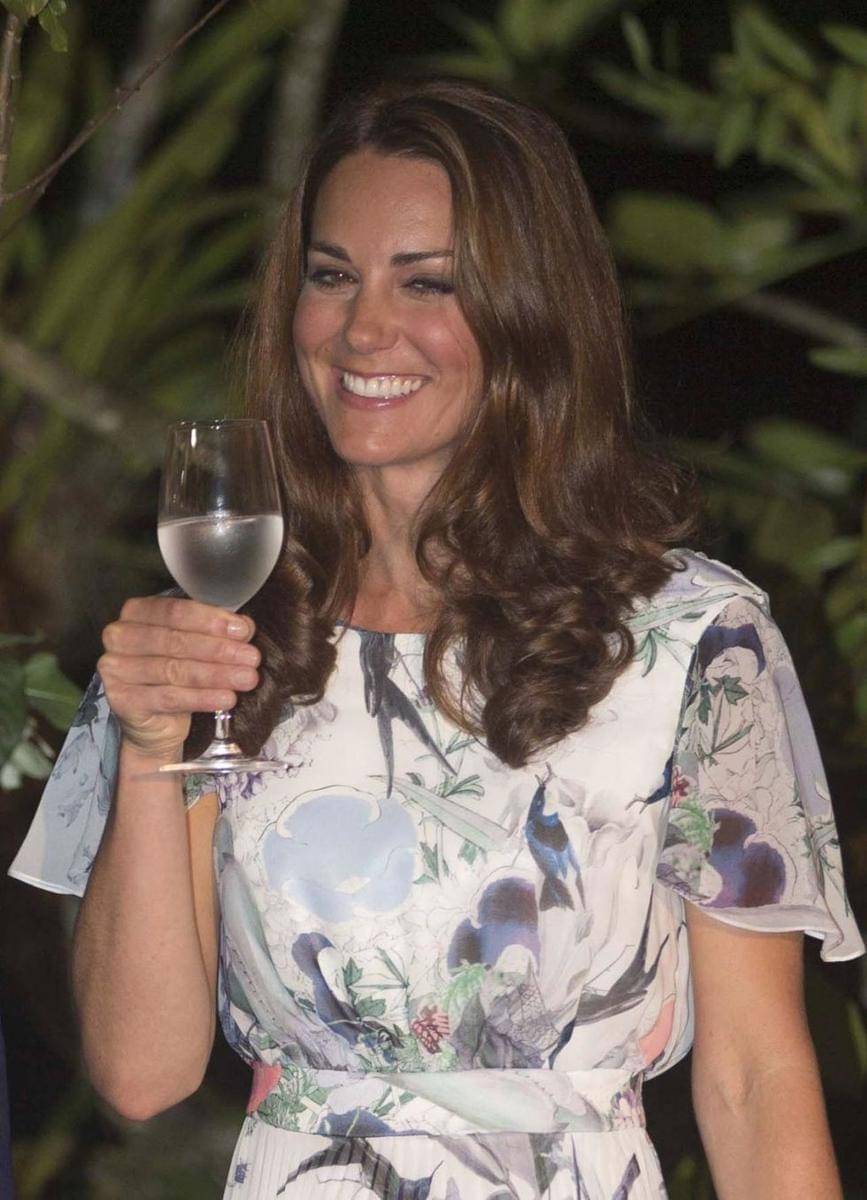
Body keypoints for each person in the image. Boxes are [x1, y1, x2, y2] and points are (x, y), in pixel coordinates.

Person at [10, 78, 864, 1200]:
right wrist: (148, 744)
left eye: (428, 282)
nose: (363, 328)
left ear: (528, 313)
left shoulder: (692, 640)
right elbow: (140, 1073)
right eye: (331, 276)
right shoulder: (212, 633)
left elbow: (755, 1079)